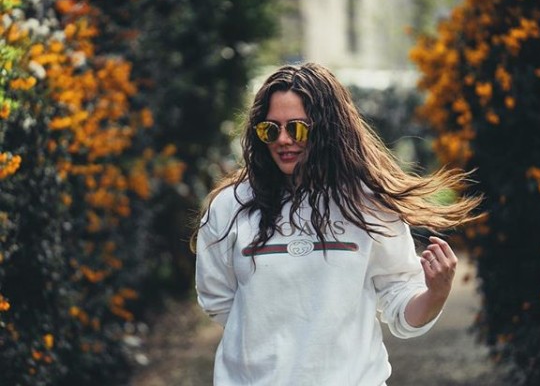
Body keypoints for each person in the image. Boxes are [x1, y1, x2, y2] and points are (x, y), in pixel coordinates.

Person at [191, 62, 481, 385]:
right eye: (270, 130)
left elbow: (401, 303)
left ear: (326, 129)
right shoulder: (230, 207)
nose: (283, 140)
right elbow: (218, 299)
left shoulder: (368, 205)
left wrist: (436, 293)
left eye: (297, 128)